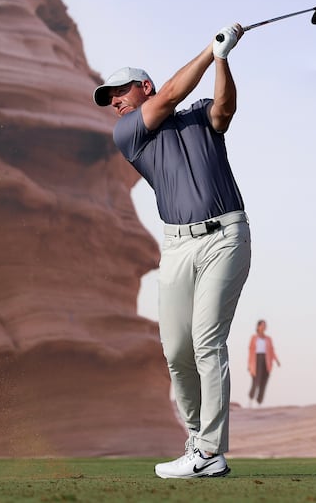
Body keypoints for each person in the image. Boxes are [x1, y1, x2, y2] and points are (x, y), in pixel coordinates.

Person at [93, 24, 250, 479]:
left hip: (225, 236)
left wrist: (222, 59)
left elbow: (224, 110)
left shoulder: (197, 114)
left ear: (143, 85)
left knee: (206, 342)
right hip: (177, 247)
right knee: (177, 351)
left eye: (120, 92)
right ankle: (197, 443)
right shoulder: (128, 133)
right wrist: (209, 49)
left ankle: (210, 452)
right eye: (110, 99)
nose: (116, 103)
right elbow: (168, 99)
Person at [248, 319, 280, 406]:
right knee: (256, 381)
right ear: (258, 327)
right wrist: (249, 364)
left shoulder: (268, 339)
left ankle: (259, 402)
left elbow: (272, 350)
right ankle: (250, 400)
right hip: (256, 360)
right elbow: (250, 351)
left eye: (265, 325)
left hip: (266, 361)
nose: (264, 327)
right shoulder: (254, 338)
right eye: (262, 325)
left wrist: (276, 360)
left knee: (263, 382)